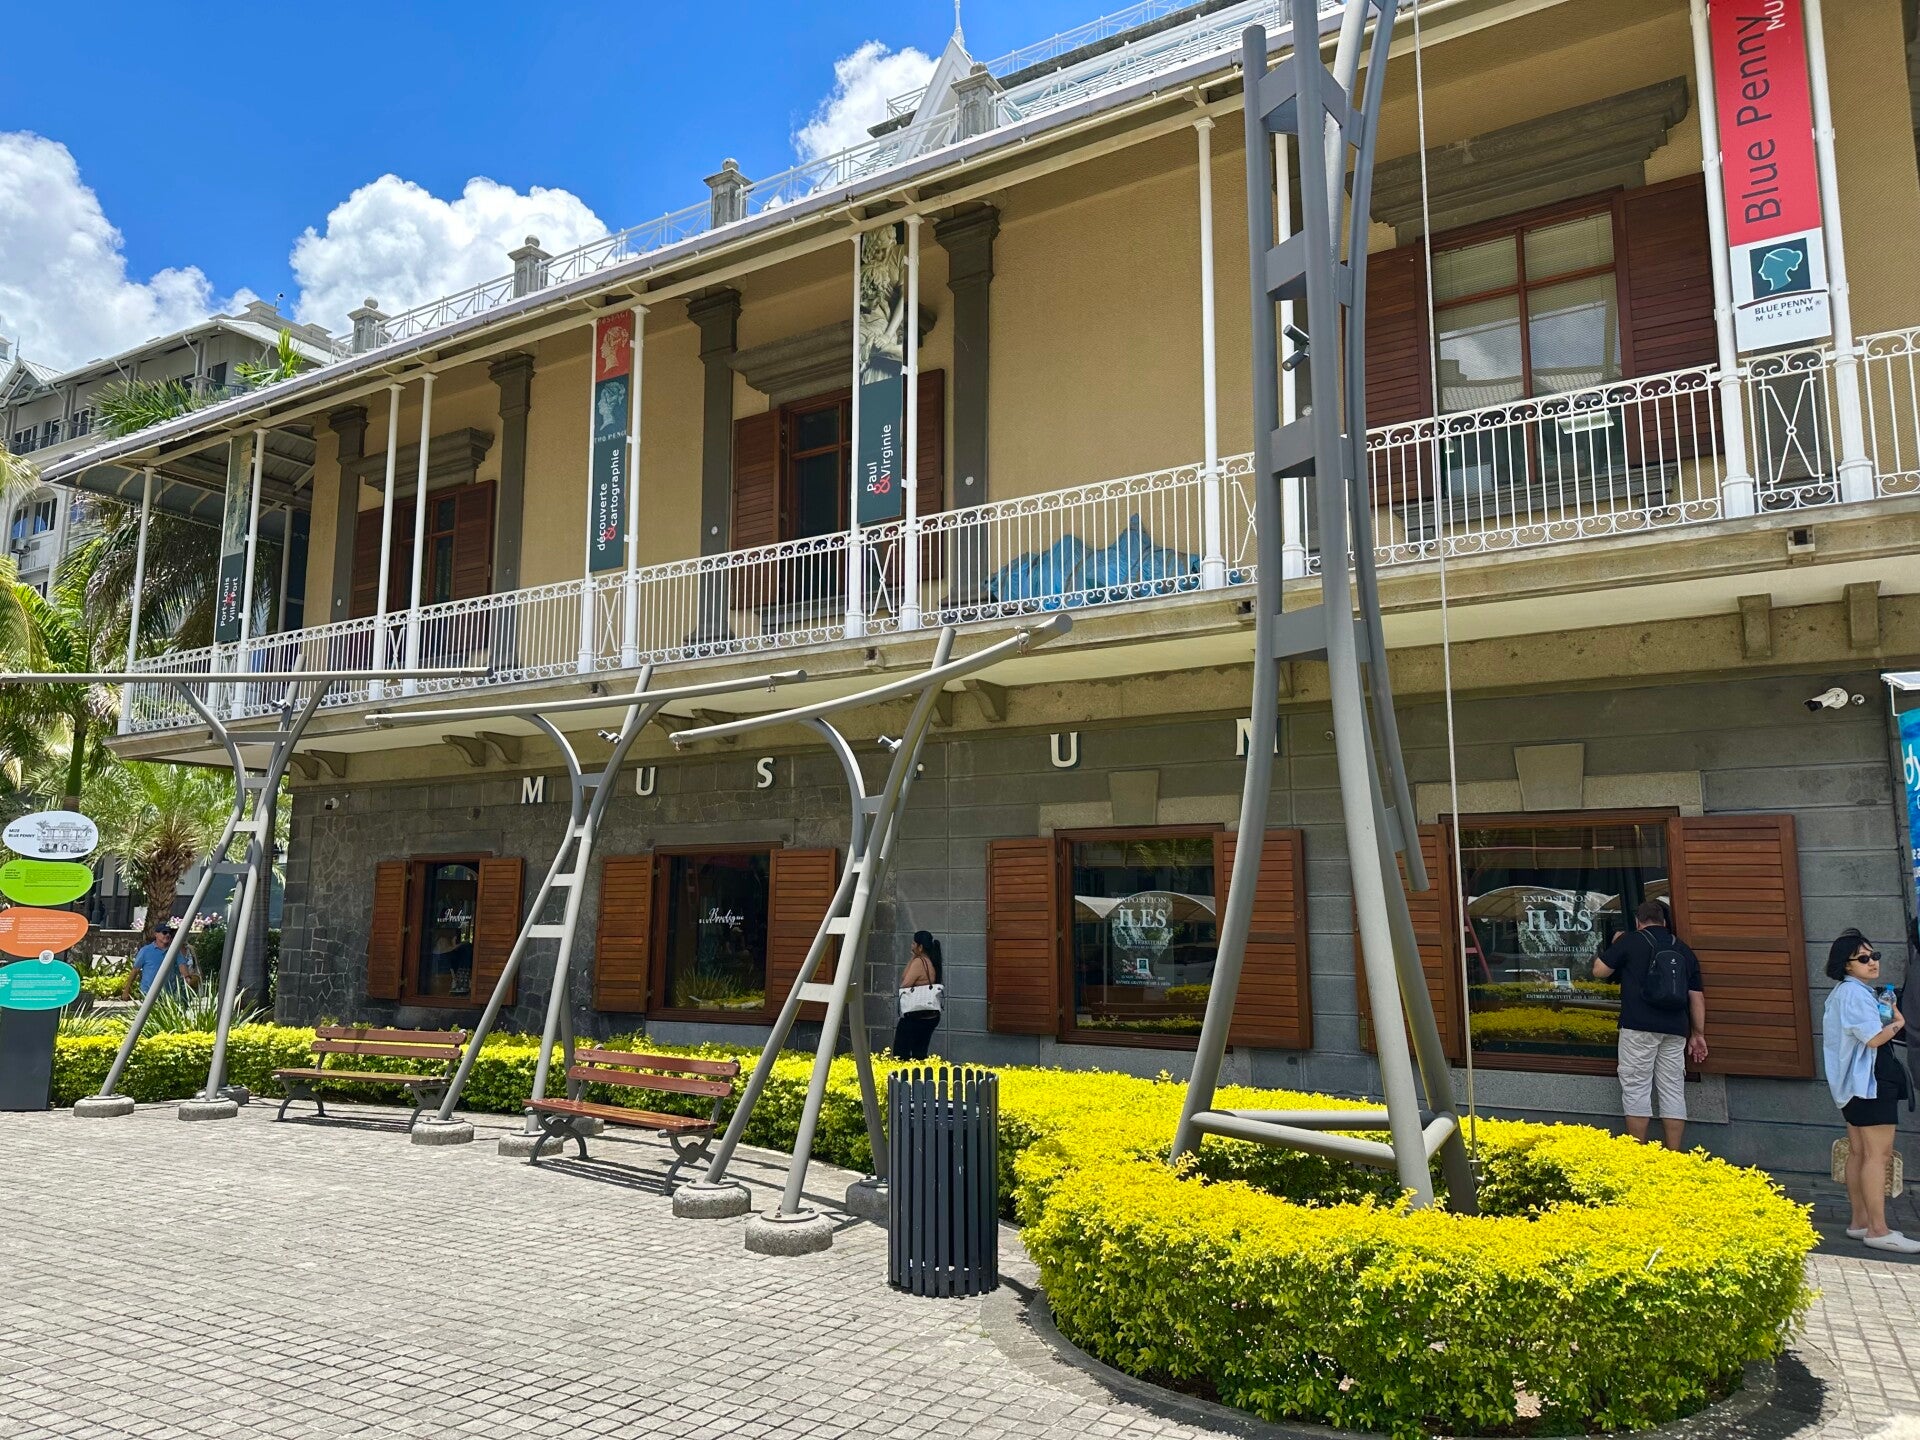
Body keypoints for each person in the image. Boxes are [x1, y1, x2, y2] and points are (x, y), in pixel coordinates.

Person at [1822, 930, 1918, 1253]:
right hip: (1869, 1082)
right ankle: (1878, 1229)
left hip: (1854, 1085)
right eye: (1863, 958)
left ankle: (1860, 1222)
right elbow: (1874, 1038)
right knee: (1878, 1155)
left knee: (1860, 1152)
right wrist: (1898, 1022)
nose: (1872, 962)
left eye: (1874, 956)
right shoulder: (1854, 994)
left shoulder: (1845, 993)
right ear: (1846, 965)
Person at [1593, 898, 1707, 1149]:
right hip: (1676, 1029)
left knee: (1636, 1087)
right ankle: (1673, 1155)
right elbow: (1696, 996)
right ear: (1664, 922)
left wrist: (1615, 945)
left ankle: (1639, 1154)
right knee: (1673, 1089)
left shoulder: (1631, 941)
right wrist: (1698, 1034)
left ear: (1638, 921)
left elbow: (1599, 971)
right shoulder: (1683, 948)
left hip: (1638, 1027)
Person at [891, 931, 944, 1061]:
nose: (911, 946)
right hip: (930, 1016)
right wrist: (914, 956)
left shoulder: (919, 962)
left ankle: (903, 1074)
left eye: (914, 943)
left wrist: (914, 958)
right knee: (919, 1053)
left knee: (900, 1053)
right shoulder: (931, 961)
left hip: (916, 1015)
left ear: (920, 947)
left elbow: (905, 983)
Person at [132, 922, 197, 997]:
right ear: (156, 934)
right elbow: (135, 970)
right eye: (164, 932)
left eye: (169, 933)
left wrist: (187, 977)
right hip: (147, 994)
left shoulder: (174, 951)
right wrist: (126, 990)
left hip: (168, 995)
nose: (168, 935)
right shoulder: (145, 951)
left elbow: (182, 965)